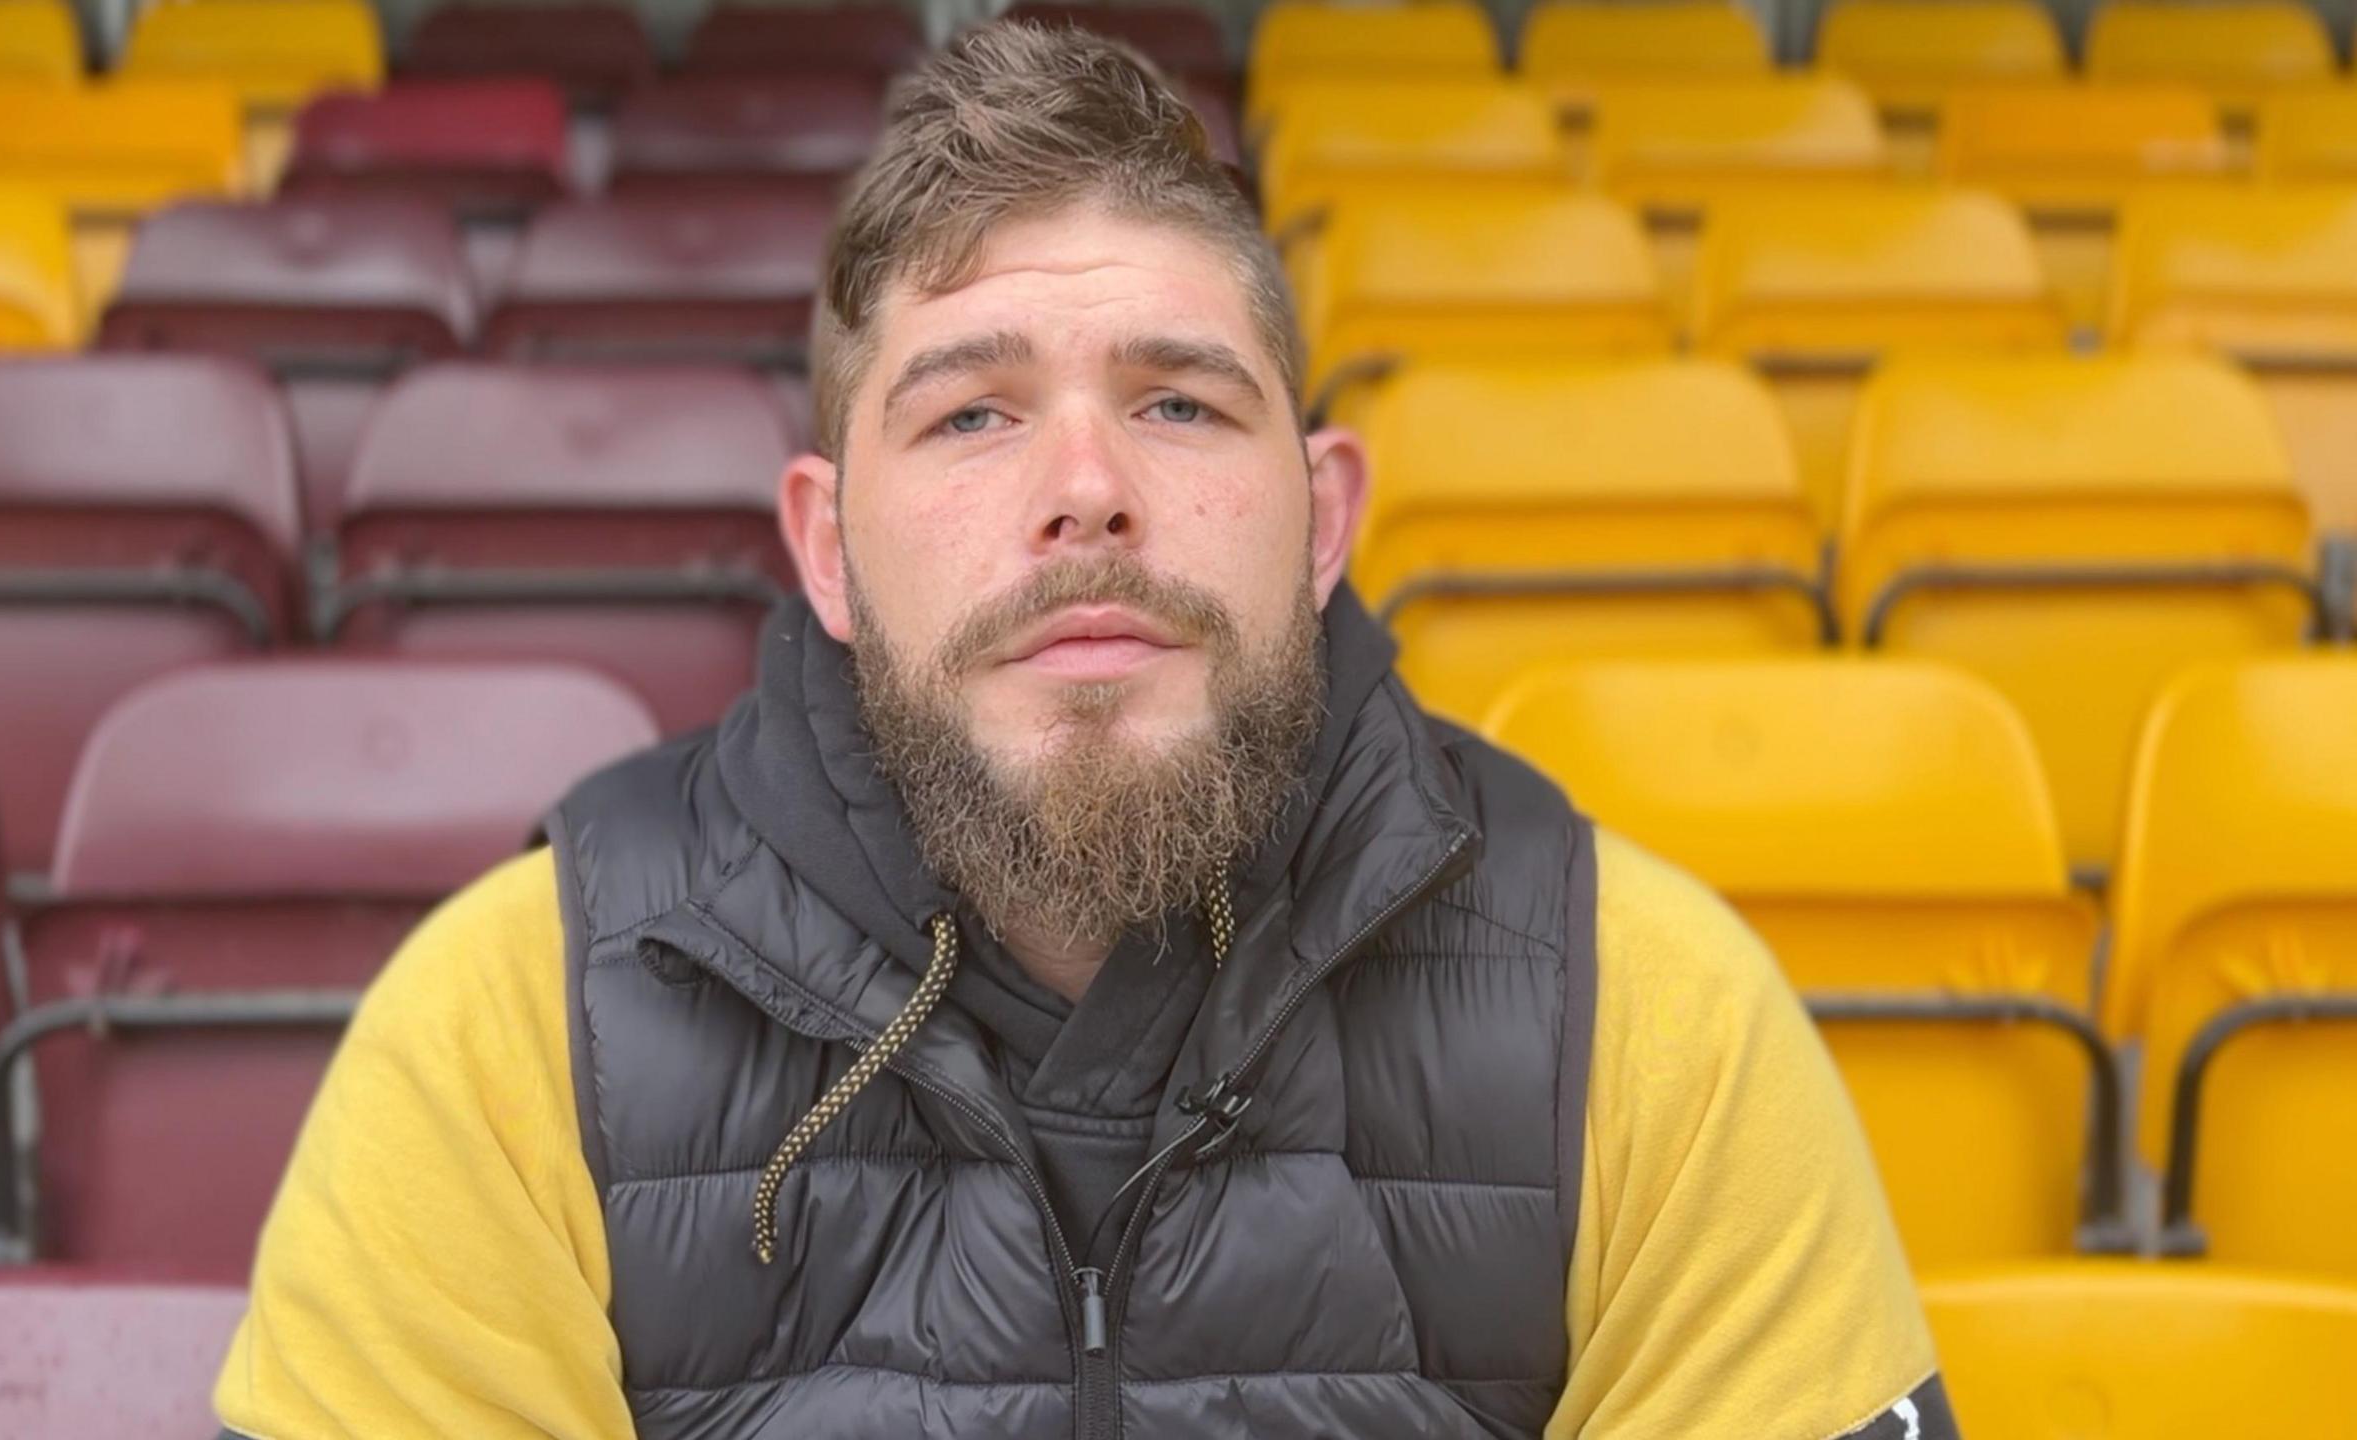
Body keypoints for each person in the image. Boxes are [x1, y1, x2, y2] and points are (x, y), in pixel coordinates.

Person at [214, 22, 1956, 1439]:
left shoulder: (1648, 1015)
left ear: (1324, 516)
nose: (1088, 495)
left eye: (1180, 402)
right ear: (828, 547)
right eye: (973, 413)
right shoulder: (509, 1032)